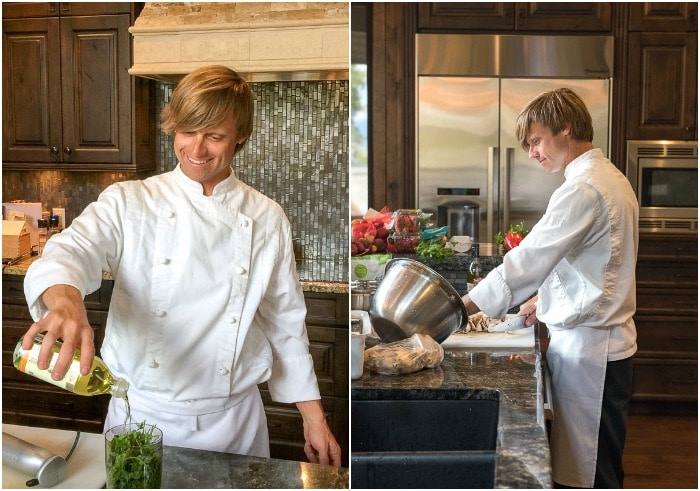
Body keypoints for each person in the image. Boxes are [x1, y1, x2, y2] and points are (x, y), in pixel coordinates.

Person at [21, 65, 342, 466]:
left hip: (233, 422)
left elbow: (284, 323)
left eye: (215, 136)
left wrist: (314, 418)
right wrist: (65, 301)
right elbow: (72, 249)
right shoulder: (130, 201)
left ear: (240, 136)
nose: (197, 148)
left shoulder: (266, 217)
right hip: (140, 413)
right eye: (187, 131)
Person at [462, 88, 638, 488]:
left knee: (592, 473)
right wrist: (544, 300)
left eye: (536, 140)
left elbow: (530, 259)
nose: (532, 153)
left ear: (567, 128)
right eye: (527, 145)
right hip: (600, 343)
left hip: (591, 352)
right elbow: (595, 266)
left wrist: (466, 306)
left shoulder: (584, 188)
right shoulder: (608, 178)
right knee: (599, 463)